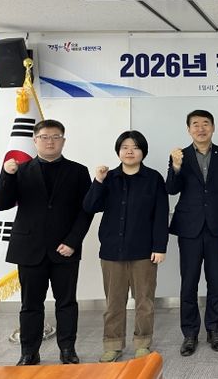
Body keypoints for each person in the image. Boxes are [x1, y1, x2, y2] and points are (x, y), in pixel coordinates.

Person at [0, 119, 93, 366]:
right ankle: (29, 352)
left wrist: (73, 242)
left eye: (56, 137)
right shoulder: (20, 170)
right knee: (30, 305)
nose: (50, 141)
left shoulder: (78, 171)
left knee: (66, 303)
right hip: (30, 248)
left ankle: (67, 350)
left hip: (65, 249)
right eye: (45, 137)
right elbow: (0, 204)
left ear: (63, 141)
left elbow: (86, 211)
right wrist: (6, 174)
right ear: (35, 140)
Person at [83, 130, 169, 362]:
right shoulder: (108, 177)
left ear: (143, 152)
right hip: (112, 251)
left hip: (144, 252)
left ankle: (143, 343)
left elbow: (161, 215)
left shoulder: (153, 178)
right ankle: (113, 344)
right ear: (118, 151)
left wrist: (160, 247)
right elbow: (90, 206)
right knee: (114, 303)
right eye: (125, 147)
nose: (130, 151)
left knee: (144, 302)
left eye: (135, 147)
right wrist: (98, 181)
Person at [166, 110, 218, 356]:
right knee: (189, 282)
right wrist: (176, 167)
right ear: (189, 130)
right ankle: (190, 334)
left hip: (217, 226)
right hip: (189, 227)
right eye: (195, 124)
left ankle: (214, 330)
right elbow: (171, 189)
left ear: (213, 127)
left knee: (215, 281)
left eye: (205, 124)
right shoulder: (180, 155)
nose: (200, 128)